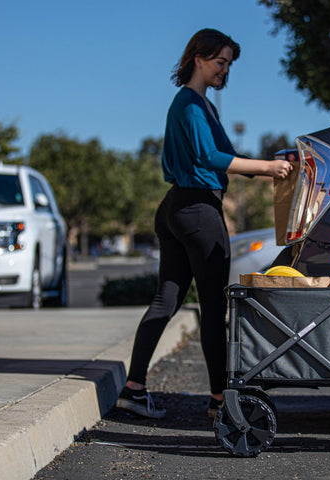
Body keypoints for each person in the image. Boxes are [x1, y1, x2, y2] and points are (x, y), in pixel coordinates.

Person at [115, 28, 293, 419]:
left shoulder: (202, 107)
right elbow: (211, 157)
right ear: (198, 57)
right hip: (197, 210)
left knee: (168, 299)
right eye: (219, 62)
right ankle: (219, 403)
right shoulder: (191, 106)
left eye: (228, 65)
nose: (224, 71)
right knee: (214, 308)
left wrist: (272, 164)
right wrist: (267, 167)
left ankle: (133, 389)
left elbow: (228, 155)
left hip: (177, 207)